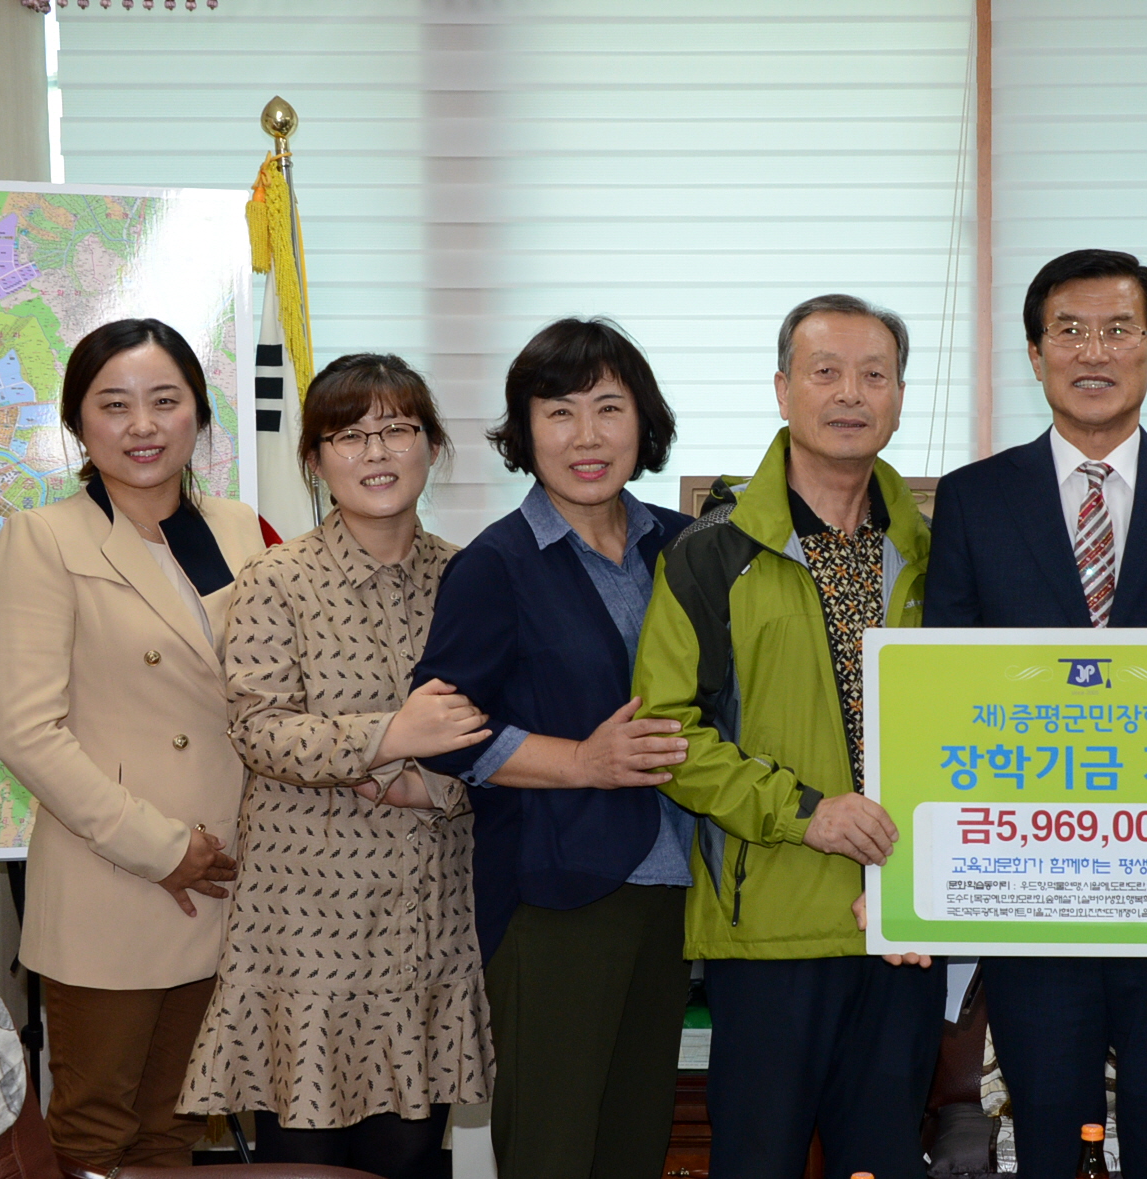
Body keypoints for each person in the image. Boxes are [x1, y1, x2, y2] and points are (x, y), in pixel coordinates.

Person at [924, 250, 1147, 1179]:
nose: (1093, 350)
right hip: (1035, 887)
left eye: (1118, 330)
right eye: (1068, 330)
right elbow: (948, 694)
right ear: (1034, 354)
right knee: (1044, 1137)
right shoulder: (972, 498)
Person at [636, 294, 941, 1179]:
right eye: (825, 372)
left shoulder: (936, 552)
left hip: (905, 923)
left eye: (874, 374)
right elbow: (669, 732)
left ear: (898, 395)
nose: (851, 393)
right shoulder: (710, 553)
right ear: (781, 389)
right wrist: (806, 813)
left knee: (885, 1160)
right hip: (770, 922)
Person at [179, 354, 493, 1178]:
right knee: (306, 1155)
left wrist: (433, 781)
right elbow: (260, 729)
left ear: (432, 446)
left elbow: (502, 725)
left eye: (397, 428)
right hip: (304, 928)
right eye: (348, 435)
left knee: (411, 1153)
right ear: (315, 460)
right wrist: (393, 732)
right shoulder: (275, 579)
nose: (376, 450)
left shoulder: (473, 576)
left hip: (428, 916)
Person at [411, 317, 694, 1179]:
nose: (586, 435)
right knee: (553, 1150)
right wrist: (582, 761)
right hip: (554, 897)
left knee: (636, 1143)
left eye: (608, 408)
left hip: (675, 889)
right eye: (558, 411)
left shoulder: (683, 548)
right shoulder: (496, 564)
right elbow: (442, 728)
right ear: (523, 430)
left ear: (643, 422)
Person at [0, 317, 264, 1169]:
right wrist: (161, 846)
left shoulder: (240, 528)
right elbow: (28, 732)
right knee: (98, 1136)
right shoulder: (45, 538)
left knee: (179, 1129)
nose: (142, 426)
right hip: (115, 877)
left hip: (223, 878)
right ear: (78, 423)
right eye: (115, 405)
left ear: (197, 415)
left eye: (164, 401)